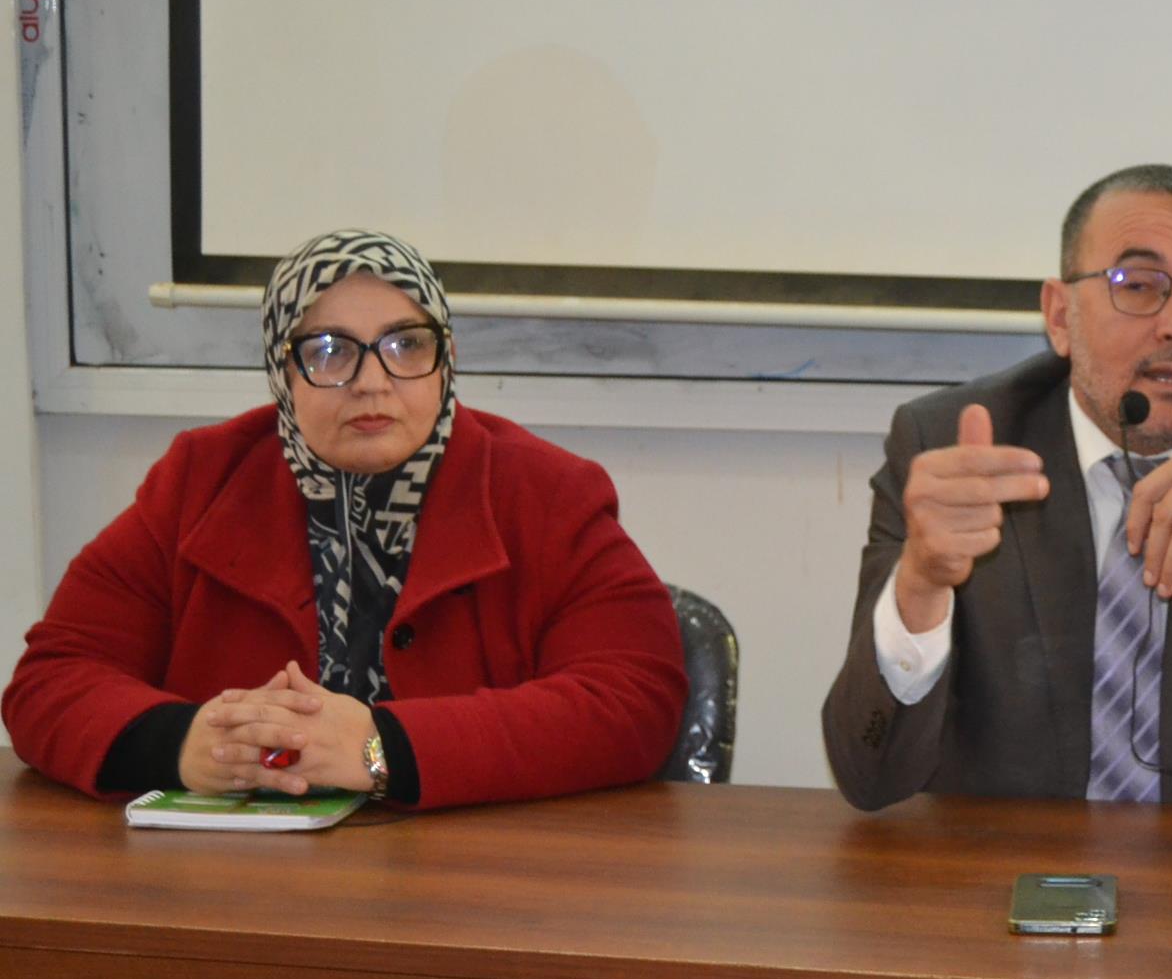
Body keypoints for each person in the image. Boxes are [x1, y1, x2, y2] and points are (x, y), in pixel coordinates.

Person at [3, 230, 686, 808]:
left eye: (406, 345)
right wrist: (186, 745)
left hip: (474, 884)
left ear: (447, 361)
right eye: (329, 351)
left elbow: (636, 698)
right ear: (282, 371)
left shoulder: (546, 493)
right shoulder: (198, 482)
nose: (371, 382)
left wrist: (380, 748)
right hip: (235, 881)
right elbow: (51, 680)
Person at [822, 164, 1172, 809]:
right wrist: (922, 583)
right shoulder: (954, 454)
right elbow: (869, 777)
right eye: (1139, 285)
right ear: (1060, 315)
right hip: (1004, 866)